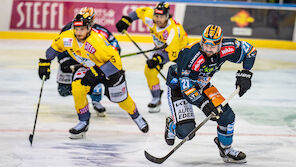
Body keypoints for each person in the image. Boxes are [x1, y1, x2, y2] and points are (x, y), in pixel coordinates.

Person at [38, 8, 149, 139]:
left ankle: (136, 116)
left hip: (109, 71)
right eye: (76, 29)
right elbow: (55, 48)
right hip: (88, 67)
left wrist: (96, 72)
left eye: (82, 29)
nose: (78, 33)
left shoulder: (98, 42)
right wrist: (45, 62)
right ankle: (83, 121)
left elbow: (116, 63)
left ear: (89, 27)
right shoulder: (67, 36)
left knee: (121, 100)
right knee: (78, 88)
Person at [164, 24, 257, 163]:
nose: (208, 49)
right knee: (186, 133)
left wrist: (246, 73)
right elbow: (187, 88)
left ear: (220, 44)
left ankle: (226, 149)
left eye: (212, 46)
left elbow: (250, 51)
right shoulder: (191, 55)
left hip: (203, 85)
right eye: (205, 45)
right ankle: (172, 124)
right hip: (179, 87)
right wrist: (205, 105)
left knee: (226, 116)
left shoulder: (228, 47)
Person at [116, 2, 189, 113]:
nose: (158, 19)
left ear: (167, 16)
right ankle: (156, 97)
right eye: (156, 16)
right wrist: (127, 20)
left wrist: (157, 59)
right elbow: (139, 12)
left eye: (161, 17)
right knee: (149, 70)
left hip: (180, 50)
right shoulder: (151, 17)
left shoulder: (173, 31)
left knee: (183, 74)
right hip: (161, 48)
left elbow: (172, 54)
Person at [56, 7, 121, 117]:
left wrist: (110, 58)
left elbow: (115, 46)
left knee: (94, 76)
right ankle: (82, 95)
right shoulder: (68, 30)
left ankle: (95, 100)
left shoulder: (101, 32)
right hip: (72, 62)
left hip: (91, 64)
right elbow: (59, 46)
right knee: (63, 91)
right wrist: (64, 61)